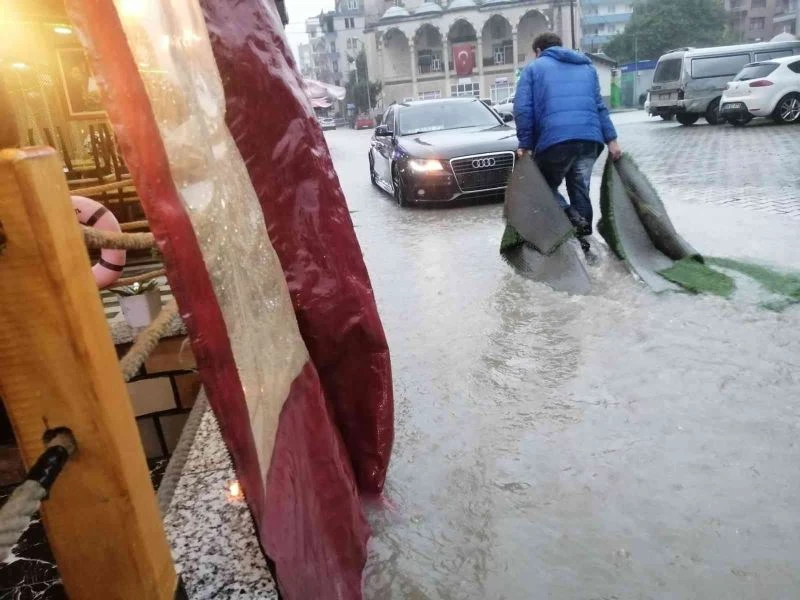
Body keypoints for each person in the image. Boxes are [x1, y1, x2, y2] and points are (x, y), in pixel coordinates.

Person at [514, 32, 622, 257]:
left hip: (556, 142)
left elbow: (523, 109)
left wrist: (525, 144)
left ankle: (569, 216)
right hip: (589, 141)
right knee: (580, 189)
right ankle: (585, 245)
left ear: (538, 51)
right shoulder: (587, 67)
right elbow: (600, 107)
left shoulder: (533, 69)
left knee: (541, 187)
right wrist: (612, 141)